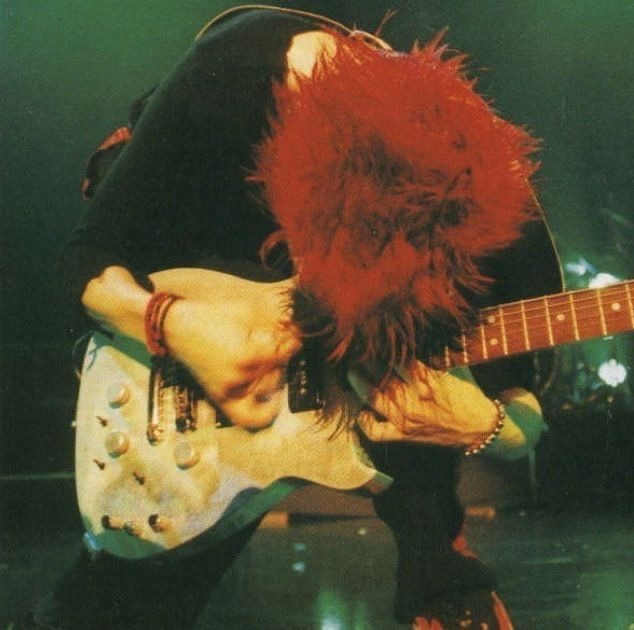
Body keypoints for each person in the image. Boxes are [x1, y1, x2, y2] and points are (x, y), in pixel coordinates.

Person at [20, 5, 560, 629]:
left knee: (437, 529)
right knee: (121, 604)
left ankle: (439, 566)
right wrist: (173, 325)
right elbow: (87, 256)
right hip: (193, 306)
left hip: (387, 406)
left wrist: (487, 424)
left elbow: (527, 398)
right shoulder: (234, 71)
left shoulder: (495, 208)